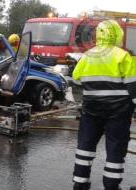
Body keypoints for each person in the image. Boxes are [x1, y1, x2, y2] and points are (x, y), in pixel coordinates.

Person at [72, 20, 136, 190]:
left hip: (91, 111)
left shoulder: (87, 56)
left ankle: (80, 183)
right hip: (118, 113)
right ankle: (111, 185)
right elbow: (133, 88)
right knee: (115, 149)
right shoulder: (123, 56)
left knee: (85, 147)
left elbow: (76, 80)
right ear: (116, 34)